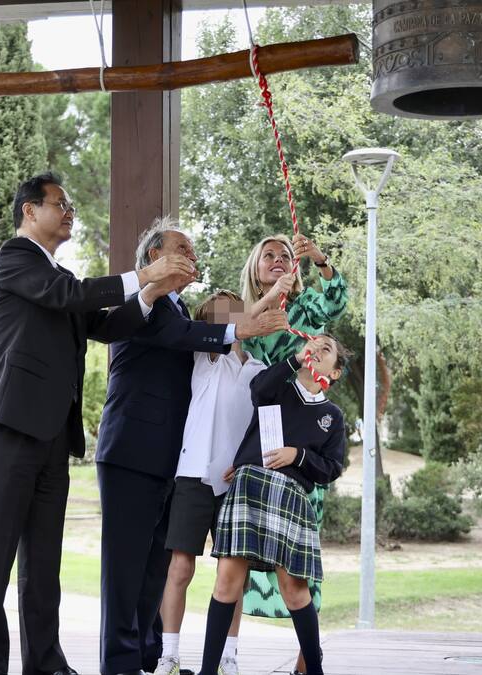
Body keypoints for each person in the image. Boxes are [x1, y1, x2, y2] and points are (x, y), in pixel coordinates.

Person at [0, 173, 195, 675]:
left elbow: (105, 324)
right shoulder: (15, 257)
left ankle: (45, 663)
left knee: (43, 563)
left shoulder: (60, 276)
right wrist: (144, 273)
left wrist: (150, 292)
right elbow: (68, 295)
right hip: (6, 424)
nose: (70, 211)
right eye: (60, 204)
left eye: (72, 204)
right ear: (30, 210)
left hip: (53, 433)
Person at [95, 221, 287, 675]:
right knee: (124, 568)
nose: (192, 254)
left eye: (193, 249)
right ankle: (119, 664)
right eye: (182, 247)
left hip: (170, 461)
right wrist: (255, 315)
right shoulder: (148, 304)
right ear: (153, 257)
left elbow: (227, 332)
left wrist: (269, 301)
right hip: (130, 451)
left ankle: (147, 653)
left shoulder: (182, 313)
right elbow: (201, 335)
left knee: (153, 569)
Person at [198, 335, 349, 675]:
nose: (317, 349)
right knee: (226, 580)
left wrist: (299, 455)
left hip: (290, 499)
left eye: (327, 350)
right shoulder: (279, 386)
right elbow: (258, 390)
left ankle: (313, 669)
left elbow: (331, 469)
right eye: (315, 343)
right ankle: (208, 671)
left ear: (335, 373)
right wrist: (295, 359)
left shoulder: (332, 416)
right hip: (250, 487)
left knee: (294, 590)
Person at [238, 234, 348, 675]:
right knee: (237, 559)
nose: (279, 260)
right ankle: (226, 658)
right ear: (256, 267)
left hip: (306, 440)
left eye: (285, 255)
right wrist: (271, 299)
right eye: (269, 256)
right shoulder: (250, 311)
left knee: (302, 561)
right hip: (263, 437)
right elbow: (241, 336)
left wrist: (317, 258)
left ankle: (308, 664)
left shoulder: (305, 311)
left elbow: (336, 301)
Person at [153, 290, 268, 675]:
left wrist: (247, 463)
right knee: (180, 569)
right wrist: (273, 295)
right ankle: (168, 654)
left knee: (233, 574)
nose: (232, 319)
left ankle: (227, 656)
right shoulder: (205, 357)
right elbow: (225, 333)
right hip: (194, 475)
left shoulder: (258, 369)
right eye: (220, 316)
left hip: (236, 484)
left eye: (236, 310)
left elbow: (262, 430)